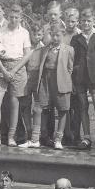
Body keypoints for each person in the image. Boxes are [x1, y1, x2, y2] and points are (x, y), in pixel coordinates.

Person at [0, 4, 31, 147]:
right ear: (8, 16)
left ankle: (11, 137)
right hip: (1, 67)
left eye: (16, 17)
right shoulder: (0, 31)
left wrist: (14, 70)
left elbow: (28, 53)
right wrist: (4, 71)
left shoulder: (24, 33)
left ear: (21, 18)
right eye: (11, 17)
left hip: (18, 67)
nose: (13, 20)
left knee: (14, 103)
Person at [71, 8, 95, 148]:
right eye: (83, 21)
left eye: (89, 21)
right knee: (83, 107)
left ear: (93, 21)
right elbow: (73, 60)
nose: (86, 23)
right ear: (80, 22)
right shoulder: (76, 38)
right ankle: (87, 137)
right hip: (80, 78)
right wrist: (73, 81)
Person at [34, 22, 75, 150]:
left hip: (61, 81)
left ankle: (58, 138)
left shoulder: (69, 49)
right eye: (53, 35)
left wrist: (64, 80)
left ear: (63, 34)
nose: (55, 38)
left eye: (58, 35)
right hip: (46, 80)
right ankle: (45, 136)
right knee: (44, 108)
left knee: (63, 110)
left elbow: (70, 68)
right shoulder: (45, 48)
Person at [18, 24, 46, 148]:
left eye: (39, 34)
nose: (36, 37)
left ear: (43, 35)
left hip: (38, 79)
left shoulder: (44, 48)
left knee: (38, 108)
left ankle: (35, 138)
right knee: (25, 106)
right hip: (26, 78)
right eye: (34, 34)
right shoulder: (26, 47)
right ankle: (28, 134)